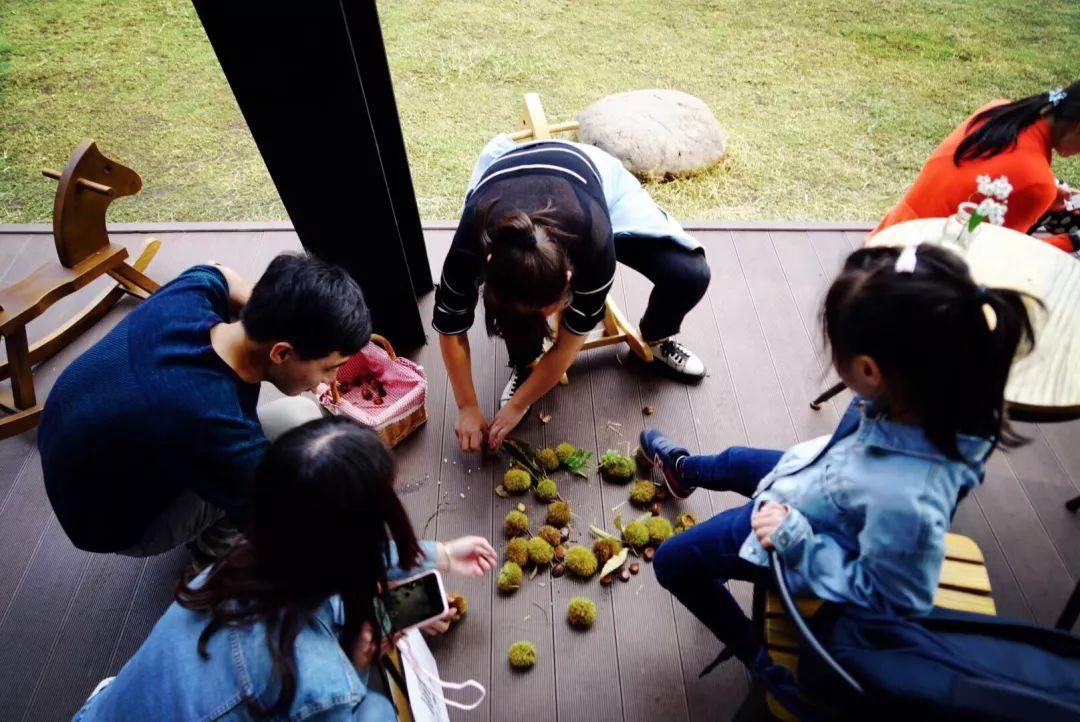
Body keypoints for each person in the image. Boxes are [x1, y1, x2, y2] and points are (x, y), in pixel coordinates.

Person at [640, 243, 1034, 668]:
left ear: (869, 371)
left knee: (673, 561)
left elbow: (892, 599)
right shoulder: (938, 392)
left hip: (806, 529)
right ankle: (682, 472)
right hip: (828, 482)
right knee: (736, 461)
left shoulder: (905, 499)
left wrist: (794, 542)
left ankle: (757, 656)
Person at [72, 417, 498, 721]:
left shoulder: (231, 570)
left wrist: (442, 553)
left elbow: (341, 563)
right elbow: (326, 687)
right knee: (376, 710)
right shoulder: (320, 687)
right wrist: (354, 664)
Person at [39, 253, 369, 559]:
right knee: (296, 453)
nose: (331, 380)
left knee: (298, 418)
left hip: (74, 444)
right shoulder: (213, 422)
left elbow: (218, 271)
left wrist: (280, 319)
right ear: (281, 352)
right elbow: (278, 529)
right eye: (329, 368)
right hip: (110, 523)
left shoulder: (191, 294)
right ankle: (213, 555)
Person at [435, 135, 713, 453]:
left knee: (689, 275)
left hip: (590, 180)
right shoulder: (471, 244)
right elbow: (451, 327)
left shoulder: (594, 246)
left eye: (548, 309)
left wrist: (517, 405)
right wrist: (467, 406)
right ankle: (525, 363)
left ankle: (657, 337)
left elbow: (569, 346)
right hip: (504, 185)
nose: (548, 318)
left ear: (570, 277)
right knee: (519, 321)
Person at [872, 81, 1080, 251]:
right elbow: (1003, 260)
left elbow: (985, 173)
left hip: (886, 237)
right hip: (913, 270)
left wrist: (1050, 193)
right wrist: (1071, 242)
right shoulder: (1037, 181)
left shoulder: (999, 112)